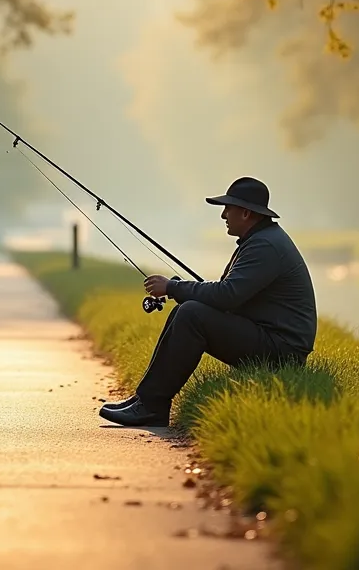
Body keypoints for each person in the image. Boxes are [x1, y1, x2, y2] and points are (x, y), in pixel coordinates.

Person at [99, 177, 317, 427]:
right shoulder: (261, 239)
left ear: (245, 213)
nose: (223, 215)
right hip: (272, 340)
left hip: (282, 353)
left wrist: (172, 287)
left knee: (192, 314)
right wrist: (179, 290)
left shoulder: (265, 245)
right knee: (186, 310)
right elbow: (230, 296)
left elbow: (226, 295)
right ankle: (146, 400)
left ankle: (151, 406)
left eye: (228, 208)